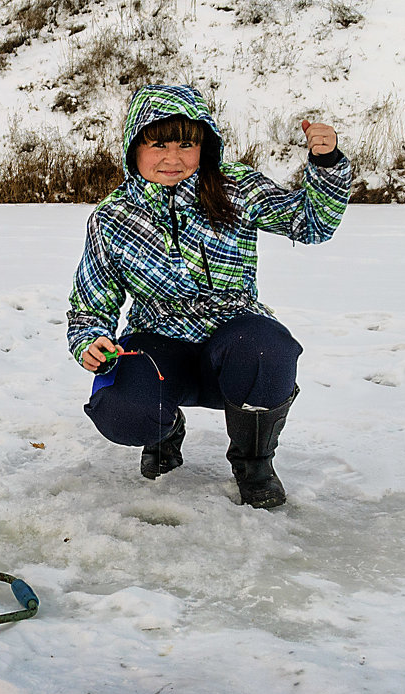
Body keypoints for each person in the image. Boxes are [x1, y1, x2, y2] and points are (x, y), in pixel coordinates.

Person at [67, 84, 351, 509]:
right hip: (158, 340)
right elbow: (92, 301)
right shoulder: (113, 216)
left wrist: (325, 164)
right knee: (122, 411)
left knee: (267, 349)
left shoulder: (235, 188)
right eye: (157, 142)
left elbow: (311, 224)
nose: (173, 157)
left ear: (205, 145)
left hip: (234, 333)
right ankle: (163, 430)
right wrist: (89, 340)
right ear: (133, 146)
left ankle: (254, 459)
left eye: (187, 143)